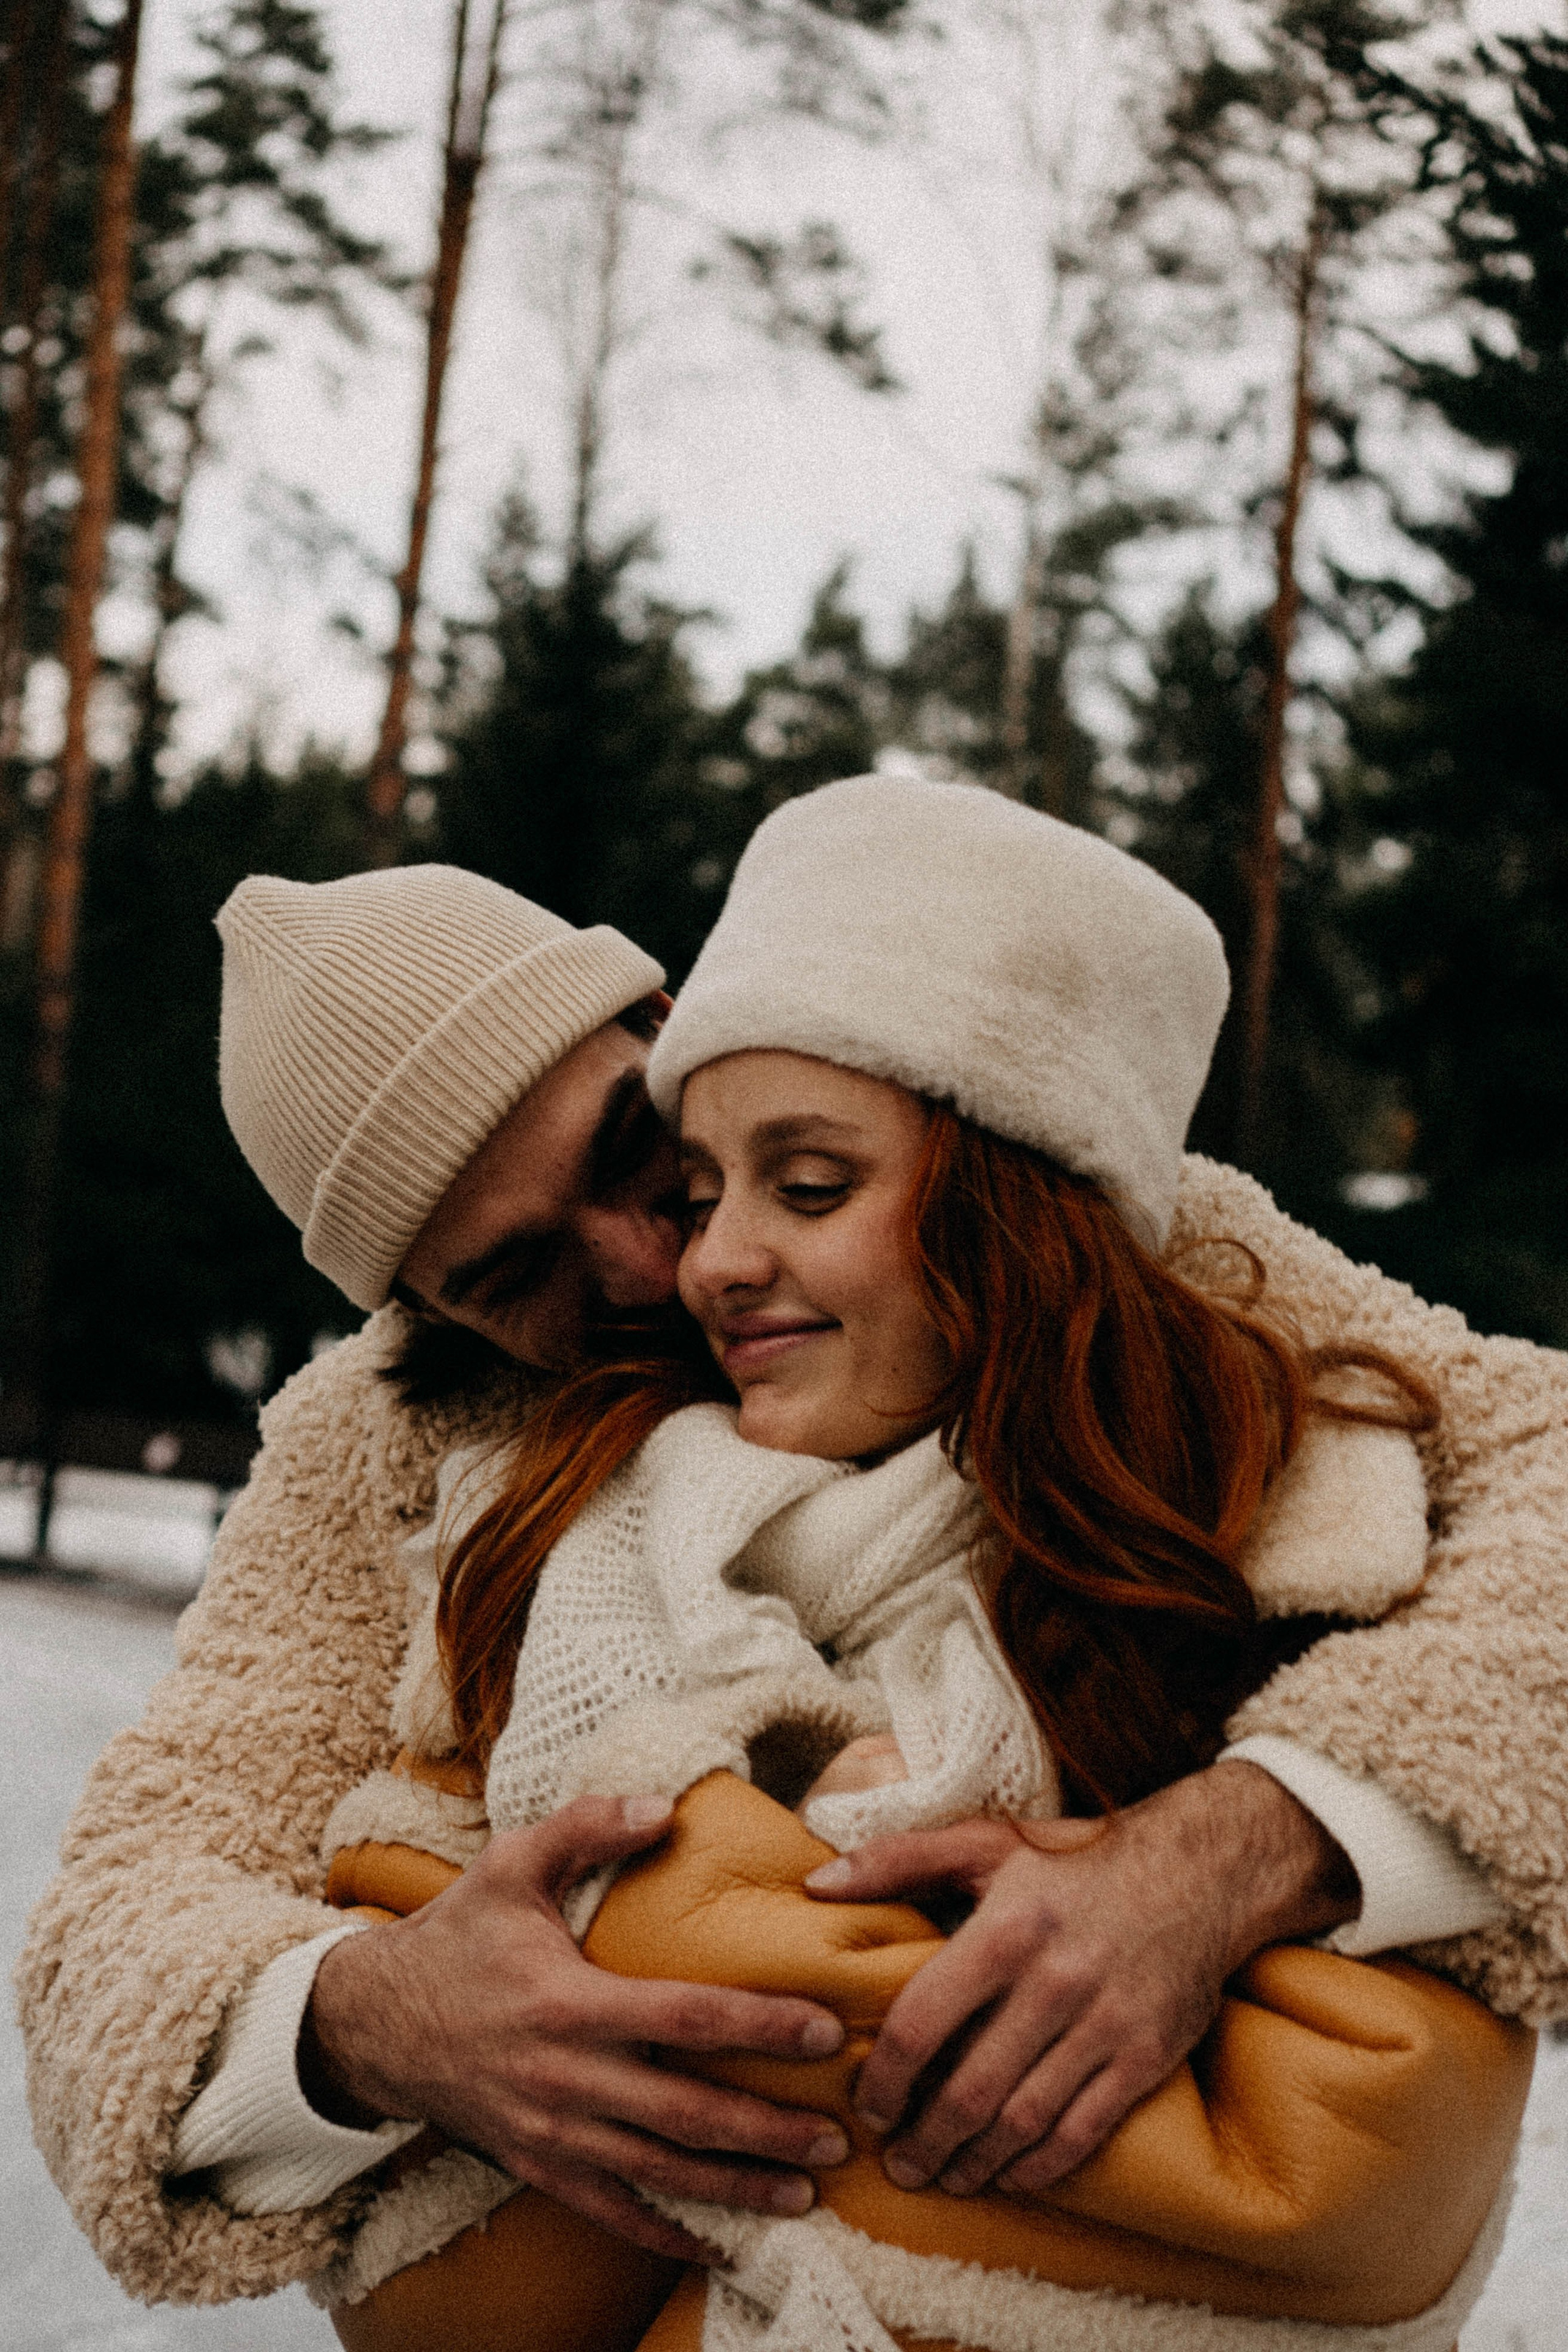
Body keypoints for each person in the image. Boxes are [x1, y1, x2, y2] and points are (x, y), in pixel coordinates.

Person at [17, 829, 1568, 2323]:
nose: (657, 1270)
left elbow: (1538, 1468)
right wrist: (370, 2021)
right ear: (428, 1313)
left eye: (638, 1158)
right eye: (517, 1274)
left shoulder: (1091, 1210)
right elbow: (118, 1924)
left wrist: (1240, 1845)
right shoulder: (376, 1450)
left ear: (671, 1022)